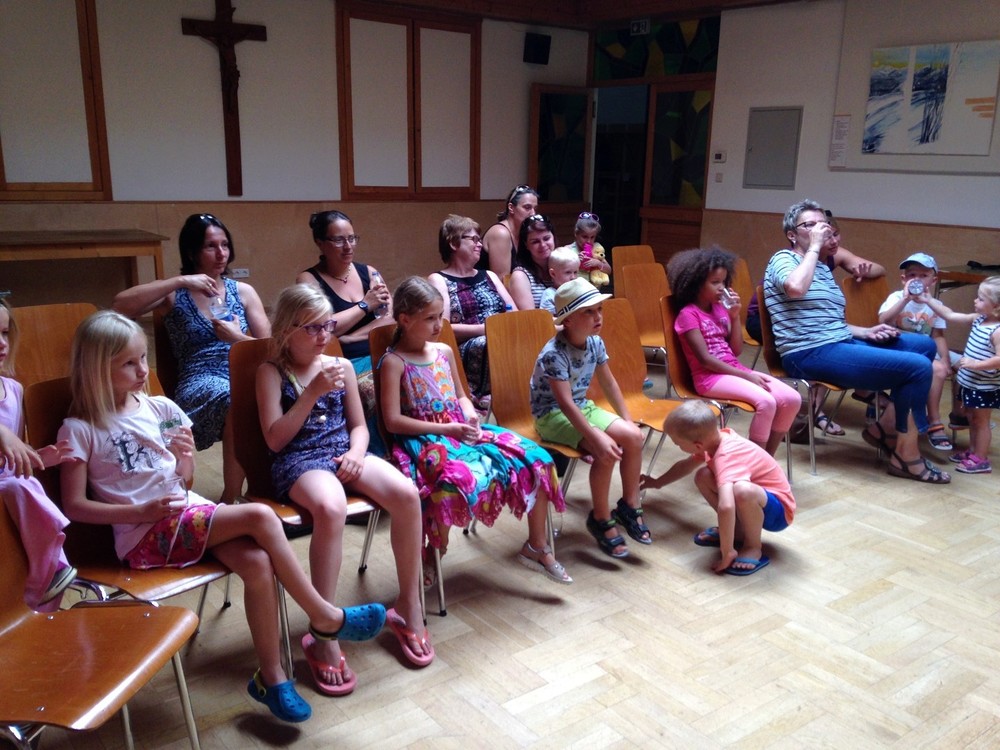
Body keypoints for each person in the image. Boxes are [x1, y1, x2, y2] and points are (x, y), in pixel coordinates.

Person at [58, 310, 386, 724]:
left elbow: (183, 479)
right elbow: (73, 506)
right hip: (145, 535)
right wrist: (140, 511)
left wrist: (183, 459)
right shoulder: (79, 429)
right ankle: (324, 616)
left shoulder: (159, 407)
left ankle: (272, 678)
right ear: (95, 369)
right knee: (261, 517)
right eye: (129, 363)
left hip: (187, 517)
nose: (143, 370)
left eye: (143, 358)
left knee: (258, 562)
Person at [256, 285, 433, 693]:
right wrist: (313, 392)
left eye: (328, 326)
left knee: (407, 495)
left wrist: (356, 453)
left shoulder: (341, 366)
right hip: (299, 460)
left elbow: (358, 427)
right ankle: (324, 629)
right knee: (332, 507)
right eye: (312, 328)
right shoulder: (271, 373)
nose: (323, 335)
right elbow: (275, 440)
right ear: (286, 330)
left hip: (343, 453)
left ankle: (408, 604)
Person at [378, 277, 572, 587]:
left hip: (459, 429)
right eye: (429, 318)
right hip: (424, 439)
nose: (438, 325)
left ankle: (537, 545)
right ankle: (434, 552)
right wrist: (448, 428)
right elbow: (392, 421)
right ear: (404, 319)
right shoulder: (394, 362)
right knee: (451, 481)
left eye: (439, 316)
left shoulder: (443, 351)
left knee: (536, 458)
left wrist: (469, 414)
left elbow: (461, 395)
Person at [763, 199, 948, 483]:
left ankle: (885, 428)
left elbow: (830, 321)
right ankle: (905, 454)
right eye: (810, 225)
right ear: (792, 235)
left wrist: (865, 331)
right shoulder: (783, 259)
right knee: (918, 367)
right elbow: (795, 288)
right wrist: (814, 248)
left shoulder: (821, 268)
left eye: (823, 224)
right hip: (806, 353)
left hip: (837, 342)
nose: (820, 230)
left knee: (925, 346)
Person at [112, 213, 269, 502]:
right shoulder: (175, 295)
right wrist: (179, 281)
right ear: (192, 251)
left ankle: (272, 485)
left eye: (225, 245)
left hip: (245, 372)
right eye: (211, 246)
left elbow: (268, 348)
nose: (221, 253)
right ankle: (230, 498)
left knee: (272, 390)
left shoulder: (243, 292)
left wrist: (236, 337)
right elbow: (119, 306)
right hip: (200, 380)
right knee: (237, 397)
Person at [530, 278, 647, 558]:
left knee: (633, 437)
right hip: (552, 416)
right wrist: (596, 436)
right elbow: (564, 404)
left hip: (582, 406)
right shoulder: (554, 354)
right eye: (589, 312)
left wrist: (627, 419)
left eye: (599, 310)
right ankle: (600, 517)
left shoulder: (595, 342)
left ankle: (629, 505)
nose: (598, 317)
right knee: (605, 450)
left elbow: (609, 383)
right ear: (568, 320)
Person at [746, 214, 886, 435]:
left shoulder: (832, 255)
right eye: (826, 234)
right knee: (817, 343)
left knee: (826, 339)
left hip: (808, 322)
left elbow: (879, 269)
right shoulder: (790, 258)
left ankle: (833, 402)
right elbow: (794, 289)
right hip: (769, 320)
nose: (832, 240)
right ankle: (819, 412)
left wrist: (863, 270)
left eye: (835, 234)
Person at [666, 247, 801, 455]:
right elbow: (705, 360)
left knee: (792, 399)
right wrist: (746, 376)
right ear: (695, 283)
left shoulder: (720, 309)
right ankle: (754, 462)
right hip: (709, 378)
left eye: (723, 282)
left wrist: (735, 316)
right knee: (766, 402)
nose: (721, 288)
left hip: (733, 370)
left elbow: (736, 350)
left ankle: (766, 459)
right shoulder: (688, 315)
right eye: (715, 282)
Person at [640, 400, 794, 576]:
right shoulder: (713, 441)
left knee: (743, 491)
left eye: (678, 444)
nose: (679, 447)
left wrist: (727, 551)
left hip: (779, 513)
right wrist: (657, 482)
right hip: (761, 503)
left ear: (697, 445)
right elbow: (685, 466)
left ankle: (753, 546)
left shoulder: (726, 456)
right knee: (703, 475)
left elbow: (726, 506)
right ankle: (737, 532)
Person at [0, 297, 76, 610]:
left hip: (8, 485)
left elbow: (13, 457)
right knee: (21, 487)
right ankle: (53, 568)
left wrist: (38, 457)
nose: (2, 343)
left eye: (5, 333)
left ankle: (44, 596)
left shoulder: (13, 390)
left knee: (23, 483)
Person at [296, 210, 393, 455]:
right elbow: (323, 326)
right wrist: (365, 305)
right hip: (343, 361)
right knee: (372, 390)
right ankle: (376, 455)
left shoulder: (369, 272)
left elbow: (390, 318)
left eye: (352, 238)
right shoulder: (308, 280)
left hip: (382, 352)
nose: (348, 246)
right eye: (339, 240)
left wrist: (350, 335)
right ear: (320, 243)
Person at [428, 214, 517, 414]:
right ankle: (482, 398)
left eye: (480, 239)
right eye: (474, 239)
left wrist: (502, 328)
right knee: (486, 343)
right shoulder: (439, 279)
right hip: (469, 346)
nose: (480, 245)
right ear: (453, 243)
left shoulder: (490, 275)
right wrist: (487, 329)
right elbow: (443, 327)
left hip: (501, 336)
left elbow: (514, 313)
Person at [877, 252, 962, 451]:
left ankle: (961, 415)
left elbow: (938, 336)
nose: (917, 280)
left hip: (928, 347)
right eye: (912, 275)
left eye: (924, 276)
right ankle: (934, 421)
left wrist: (947, 359)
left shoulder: (936, 305)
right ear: (904, 279)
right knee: (938, 370)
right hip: (901, 348)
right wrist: (905, 300)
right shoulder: (896, 298)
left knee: (966, 364)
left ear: (933, 280)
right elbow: (883, 320)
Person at [924, 277, 1000, 474]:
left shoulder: (997, 331)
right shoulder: (979, 318)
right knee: (972, 419)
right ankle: (973, 451)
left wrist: (976, 364)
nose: (975, 301)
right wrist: (928, 300)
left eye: (981, 299)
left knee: (981, 422)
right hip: (970, 382)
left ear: (996, 307)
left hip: (984, 386)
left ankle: (981, 459)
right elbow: (950, 315)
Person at [477, 184, 540, 277]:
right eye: (527, 207)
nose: (533, 213)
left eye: (535, 208)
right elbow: (502, 279)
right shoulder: (500, 233)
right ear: (511, 208)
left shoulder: (524, 233)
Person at [509, 214, 557, 312]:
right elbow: (530, 318)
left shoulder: (566, 263)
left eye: (546, 238)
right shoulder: (520, 276)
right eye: (535, 242)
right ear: (526, 245)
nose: (542, 245)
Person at [561, 211, 610, 288]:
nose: (589, 241)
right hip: (576, 291)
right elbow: (561, 273)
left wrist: (599, 264)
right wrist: (576, 261)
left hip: (594, 292)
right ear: (576, 234)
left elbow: (609, 270)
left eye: (592, 237)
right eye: (585, 237)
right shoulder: (568, 250)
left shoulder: (596, 250)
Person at [540, 246, 581, 315]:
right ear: (553, 274)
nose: (573, 277)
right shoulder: (550, 294)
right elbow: (547, 318)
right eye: (568, 272)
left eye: (575, 272)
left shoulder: (579, 291)